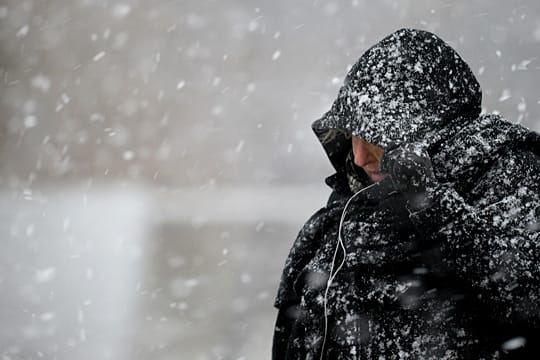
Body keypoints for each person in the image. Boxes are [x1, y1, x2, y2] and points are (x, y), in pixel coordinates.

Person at [272, 28, 540, 359]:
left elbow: (525, 295)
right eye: (351, 135)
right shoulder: (338, 219)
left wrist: (433, 207)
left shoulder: (509, 175)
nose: (358, 157)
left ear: (427, 130)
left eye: (374, 136)